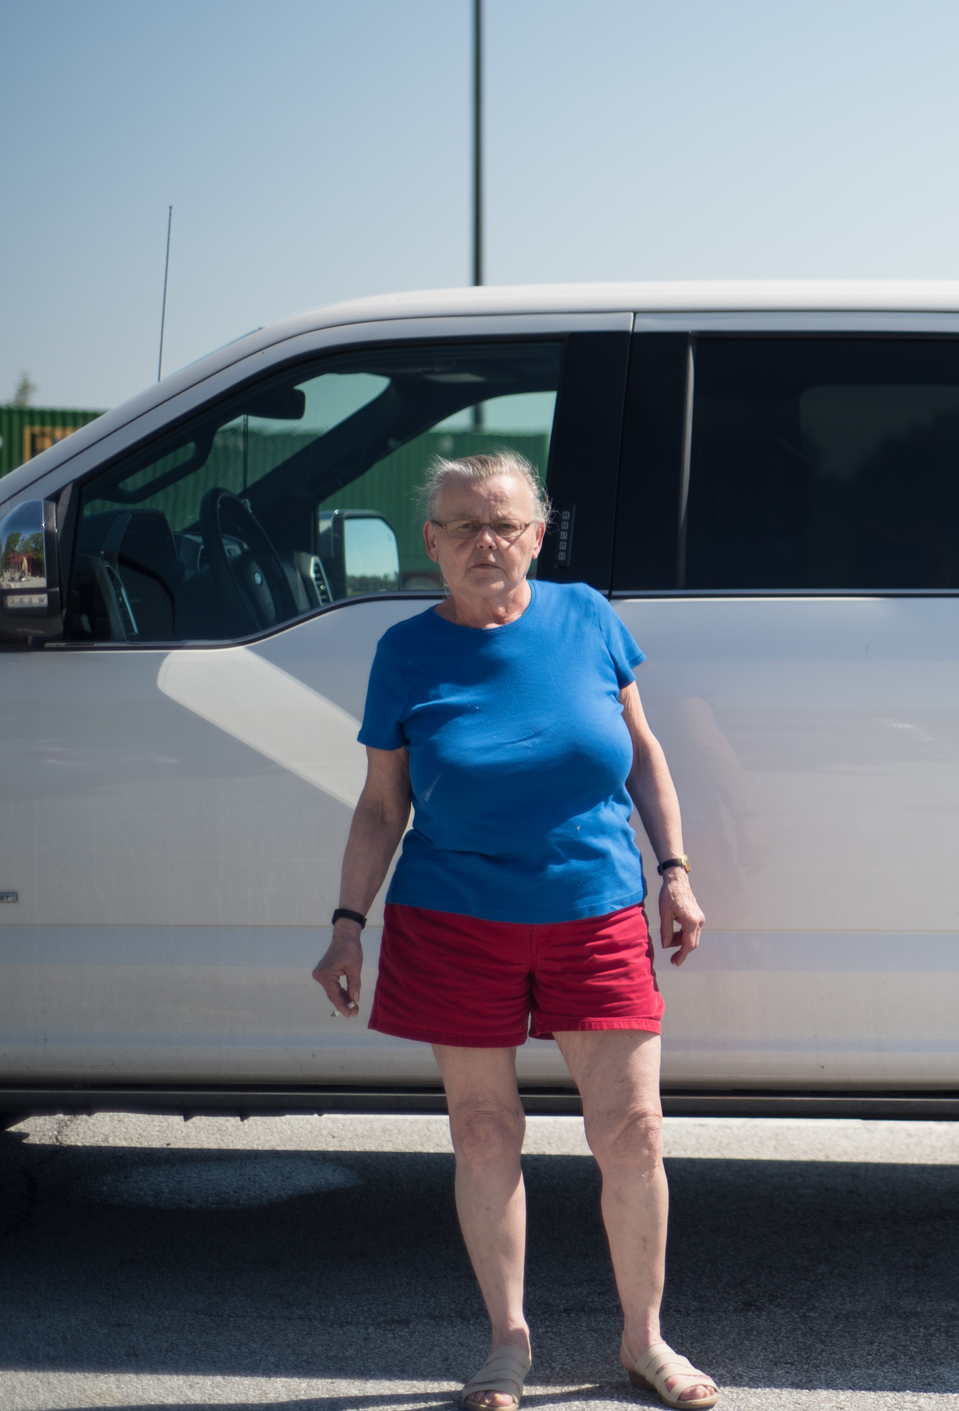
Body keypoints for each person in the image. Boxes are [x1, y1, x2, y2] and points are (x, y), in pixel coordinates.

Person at [311, 449, 721, 1411]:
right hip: (456, 918)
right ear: (432, 544)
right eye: (464, 525)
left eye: (505, 524)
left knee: (633, 1130)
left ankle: (643, 1341)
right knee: (484, 1126)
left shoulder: (588, 617)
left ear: (538, 535)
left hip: (597, 908)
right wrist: (345, 925)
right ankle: (507, 1341)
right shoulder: (406, 652)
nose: (485, 541)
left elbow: (644, 754)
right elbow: (381, 807)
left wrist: (676, 871)